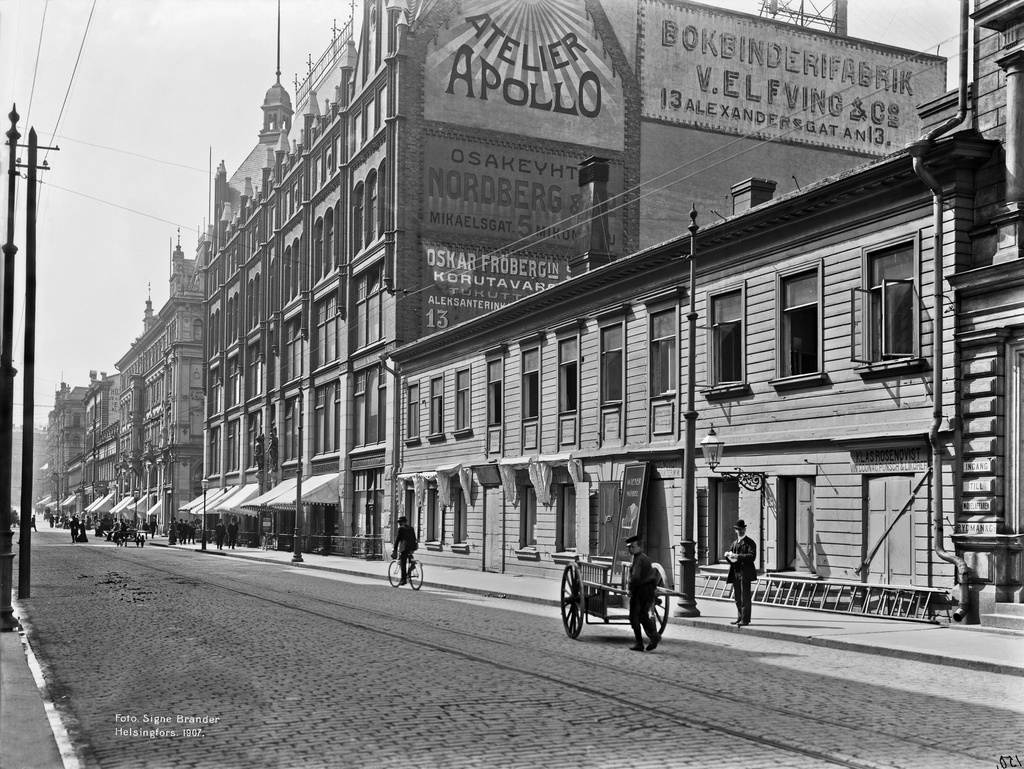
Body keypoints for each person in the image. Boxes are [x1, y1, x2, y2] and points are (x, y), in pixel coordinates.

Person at [625, 534, 661, 651]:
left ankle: (640, 642)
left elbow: (635, 577)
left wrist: (630, 589)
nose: (630, 549)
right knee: (643, 615)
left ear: (638, 547)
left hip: (640, 591)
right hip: (649, 590)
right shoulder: (645, 557)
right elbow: (653, 575)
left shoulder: (639, 559)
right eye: (629, 547)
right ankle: (654, 636)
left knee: (634, 616)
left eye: (632, 547)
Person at [725, 519, 757, 627]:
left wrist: (738, 556)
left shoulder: (749, 542)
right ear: (735, 531)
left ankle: (745, 619)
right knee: (738, 597)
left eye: (742, 529)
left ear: (745, 529)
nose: (740, 531)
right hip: (736, 573)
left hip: (745, 573)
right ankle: (739, 617)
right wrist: (728, 557)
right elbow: (730, 559)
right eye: (738, 530)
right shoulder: (734, 543)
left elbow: (752, 556)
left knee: (745, 598)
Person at [391, 516, 418, 586]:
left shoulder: (401, 529)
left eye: (400, 522)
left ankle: (403, 580)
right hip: (412, 546)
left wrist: (395, 549)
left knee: (403, 563)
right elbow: (414, 538)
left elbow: (398, 539)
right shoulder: (411, 528)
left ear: (402, 522)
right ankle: (411, 567)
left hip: (405, 548)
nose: (399, 524)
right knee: (410, 560)